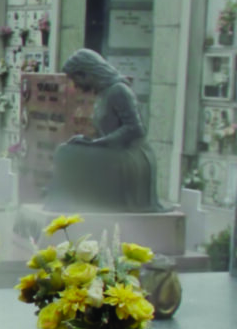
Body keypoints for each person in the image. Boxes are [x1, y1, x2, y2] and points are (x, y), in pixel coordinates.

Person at [48, 49, 159, 212]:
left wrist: (98, 144)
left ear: (87, 74)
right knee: (69, 149)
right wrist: (89, 142)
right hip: (114, 151)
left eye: (76, 79)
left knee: (66, 153)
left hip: (131, 155)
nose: (76, 85)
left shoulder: (119, 90)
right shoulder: (103, 94)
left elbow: (135, 128)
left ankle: (64, 201)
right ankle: (64, 199)